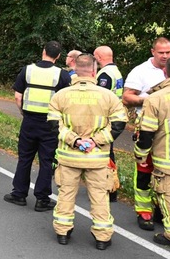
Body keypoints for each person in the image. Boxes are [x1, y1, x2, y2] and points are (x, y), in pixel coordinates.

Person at [48, 53, 127, 250]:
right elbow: (118, 124)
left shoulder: (60, 95)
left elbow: (53, 125)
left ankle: (62, 232)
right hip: (97, 158)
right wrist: (95, 141)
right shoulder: (108, 96)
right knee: (99, 196)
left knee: (66, 194)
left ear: (75, 69)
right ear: (94, 71)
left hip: (68, 157)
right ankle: (102, 237)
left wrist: (75, 141)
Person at [4, 41, 71, 211]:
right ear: (58, 56)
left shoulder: (28, 70)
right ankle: (42, 199)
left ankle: (19, 194)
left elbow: (18, 96)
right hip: (50, 124)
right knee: (46, 161)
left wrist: (23, 113)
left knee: (25, 157)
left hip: (29, 121)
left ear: (43, 52)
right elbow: (66, 101)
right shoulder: (62, 75)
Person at [123, 37, 170, 230]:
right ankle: (144, 212)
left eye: (168, 52)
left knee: (168, 173)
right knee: (144, 171)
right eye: (161, 52)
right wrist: (150, 100)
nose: (165, 56)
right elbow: (126, 97)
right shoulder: (141, 71)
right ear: (153, 51)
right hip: (146, 128)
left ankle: (164, 210)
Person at [135, 56, 170, 247]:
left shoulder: (156, 98)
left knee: (168, 194)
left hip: (167, 158)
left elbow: (146, 133)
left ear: (165, 72)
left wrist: (140, 154)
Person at [93, 45, 126, 202]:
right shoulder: (116, 71)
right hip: (114, 115)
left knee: (105, 153)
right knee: (108, 152)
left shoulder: (105, 74)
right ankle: (111, 186)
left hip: (105, 118)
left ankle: (109, 188)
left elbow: (99, 97)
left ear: (99, 57)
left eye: (95, 57)